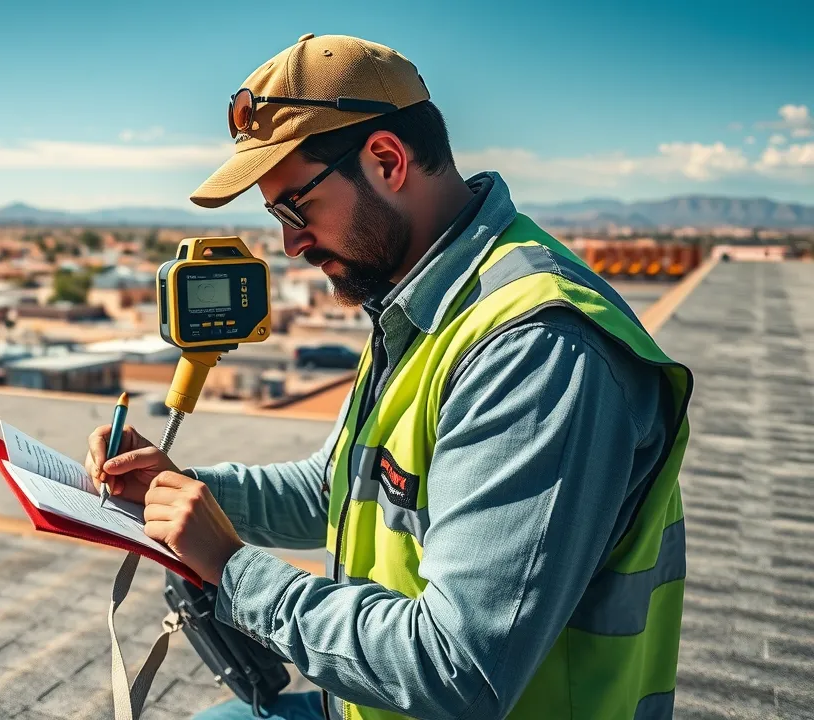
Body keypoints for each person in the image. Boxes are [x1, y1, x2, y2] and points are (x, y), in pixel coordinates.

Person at [86, 33, 690, 720]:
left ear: (386, 160)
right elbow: (337, 489)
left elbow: (458, 672)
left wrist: (232, 568)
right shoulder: (425, 298)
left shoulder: (536, 350)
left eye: (295, 208)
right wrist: (179, 489)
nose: (290, 243)